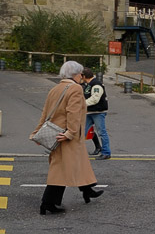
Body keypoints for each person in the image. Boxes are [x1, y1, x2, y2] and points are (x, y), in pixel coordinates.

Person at [30, 61, 103, 215]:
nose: (82, 78)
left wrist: (37, 133)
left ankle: (87, 189)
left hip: (56, 133)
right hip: (66, 136)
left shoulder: (55, 88)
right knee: (61, 169)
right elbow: (73, 114)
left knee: (76, 163)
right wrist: (71, 133)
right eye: (81, 74)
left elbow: (45, 113)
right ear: (76, 75)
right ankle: (48, 202)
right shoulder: (76, 89)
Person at [81, 69, 111, 160]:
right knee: (82, 132)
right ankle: (77, 151)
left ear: (84, 76)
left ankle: (106, 152)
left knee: (101, 132)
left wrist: (82, 104)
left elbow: (95, 99)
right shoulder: (89, 85)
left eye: (81, 76)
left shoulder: (96, 84)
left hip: (98, 112)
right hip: (89, 112)